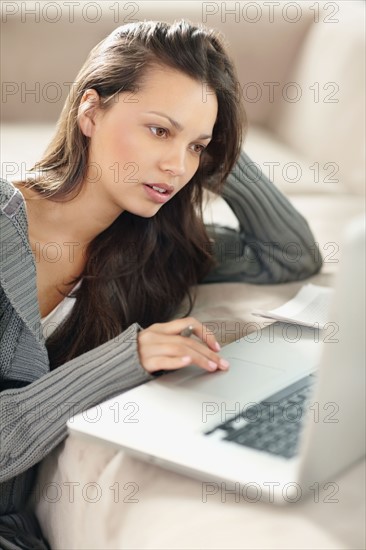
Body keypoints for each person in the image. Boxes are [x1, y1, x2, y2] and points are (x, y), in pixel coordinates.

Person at [0, 19, 322, 549]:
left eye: (196, 146)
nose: (176, 166)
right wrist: (130, 356)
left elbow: (288, 255)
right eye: (159, 130)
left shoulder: (157, 251)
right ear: (90, 110)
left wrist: (220, 146)